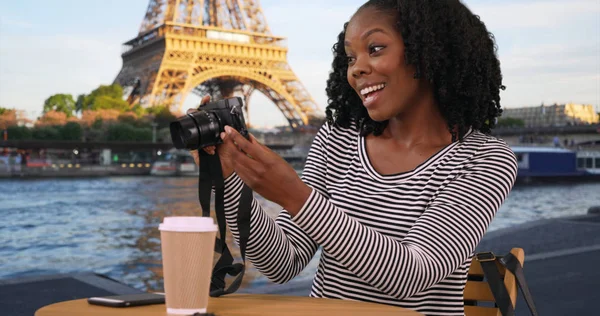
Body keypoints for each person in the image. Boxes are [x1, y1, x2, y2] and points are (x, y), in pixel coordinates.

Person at [189, 1, 517, 315]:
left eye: (375, 48)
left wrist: (293, 195)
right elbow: (281, 263)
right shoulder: (338, 139)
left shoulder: (484, 159)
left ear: (429, 53)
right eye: (349, 57)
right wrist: (229, 179)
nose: (356, 68)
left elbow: (413, 276)